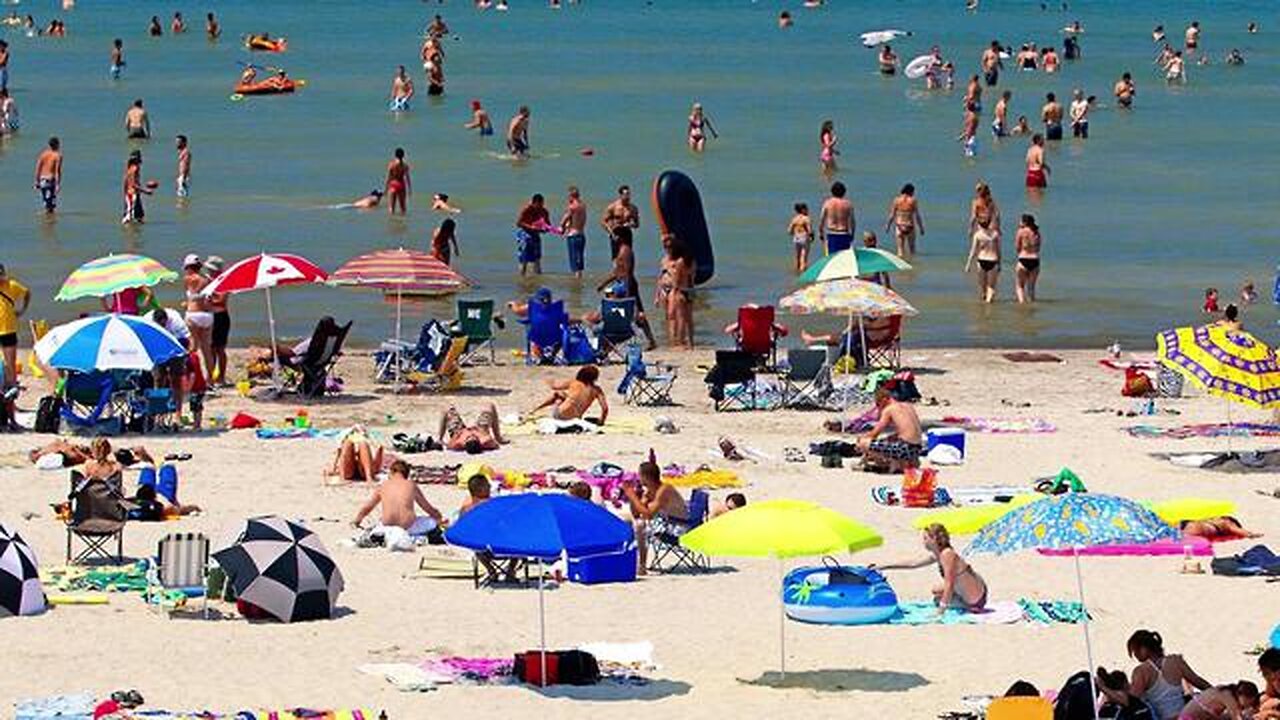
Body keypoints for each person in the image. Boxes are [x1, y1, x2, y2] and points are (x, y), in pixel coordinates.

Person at [876, 523, 988, 611]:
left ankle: (965, 605)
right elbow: (913, 563)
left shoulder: (947, 555)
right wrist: (883, 566)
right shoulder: (939, 554)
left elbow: (950, 583)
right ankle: (958, 601)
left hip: (976, 599)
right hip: (972, 588)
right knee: (936, 591)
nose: (923, 542)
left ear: (934, 539)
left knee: (939, 600)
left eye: (925, 538)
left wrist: (941, 610)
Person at [1124, 629, 1212, 720]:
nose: (1135, 655)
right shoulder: (1176, 661)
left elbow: (1132, 701)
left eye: (1135, 651)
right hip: (1184, 716)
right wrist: (1217, 692)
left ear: (1143, 648)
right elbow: (1199, 682)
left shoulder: (1141, 671)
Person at [351, 460, 445, 541]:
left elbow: (368, 507)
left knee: (378, 524)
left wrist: (357, 521)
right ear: (406, 475)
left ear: (392, 472)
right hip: (408, 527)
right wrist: (438, 517)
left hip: (388, 527)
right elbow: (427, 507)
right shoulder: (411, 485)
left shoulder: (383, 485)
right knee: (431, 522)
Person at [596, 226, 658, 349]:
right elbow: (617, 272)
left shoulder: (626, 251)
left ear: (622, 237)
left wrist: (627, 291)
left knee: (637, 312)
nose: (614, 237)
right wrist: (604, 284)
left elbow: (627, 273)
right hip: (621, 284)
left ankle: (650, 340)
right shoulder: (621, 250)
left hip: (627, 285)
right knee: (632, 312)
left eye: (616, 235)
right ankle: (650, 340)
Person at [622, 461, 688, 575]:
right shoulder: (650, 491)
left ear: (646, 477)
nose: (639, 478)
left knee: (640, 526)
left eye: (640, 475)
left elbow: (648, 514)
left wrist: (632, 496)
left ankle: (641, 565)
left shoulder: (664, 490)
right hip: (667, 523)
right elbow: (637, 513)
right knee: (629, 521)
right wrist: (634, 497)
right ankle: (628, 560)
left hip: (679, 528)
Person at [857, 379, 925, 471]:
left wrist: (861, 439)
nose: (879, 408)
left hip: (904, 448)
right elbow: (909, 431)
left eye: (878, 404)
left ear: (884, 400)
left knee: (864, 443)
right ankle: (908, 461)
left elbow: (875, 433)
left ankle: (893, 463)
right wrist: (892, 437)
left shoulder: (889, 409)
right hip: (917, 449)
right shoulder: (908, 405)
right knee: (889, 439)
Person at [528, 365, 609, 422]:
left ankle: (536, 409)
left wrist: (549, 381)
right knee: (564, 396)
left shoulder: (573, 382)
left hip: (560, 416)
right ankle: (535, 409)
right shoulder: (597, 390)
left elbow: (555, 387)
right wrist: (601, 421)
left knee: (558, 395)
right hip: (576, 418)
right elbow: (605, 408)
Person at [657, 234, 696, 348]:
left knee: (677, 318)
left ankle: (679, 342)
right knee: (689, 319)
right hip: (690, 290)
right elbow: (692, 278)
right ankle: (690, 343)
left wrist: (673, 293)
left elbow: (677, 282)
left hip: (679, 291)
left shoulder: (679, 262)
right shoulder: (691, 262)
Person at [151, 308, 191, 414]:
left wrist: (182, 359)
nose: (162, 327)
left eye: (163, 325)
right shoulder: (148, 321)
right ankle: (159, 410)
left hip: (176, 344)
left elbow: (185, 342)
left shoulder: (177, 324)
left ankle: (178, 411)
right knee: (158, 379)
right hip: (158, 345)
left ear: (167, 320)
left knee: (176, 380)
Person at [0, 264, 28, 410]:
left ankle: (11, 404)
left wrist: (21, 310)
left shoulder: (11, 285)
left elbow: (26, 293)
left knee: (11, 366)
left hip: (8, 329)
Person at [182, 254, 214, 378]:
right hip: (207, 315)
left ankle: (192, 377)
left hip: (193, 314)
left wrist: (188, 302)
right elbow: (207, 296)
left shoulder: (188, 279)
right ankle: (210, 380)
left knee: (193, 347)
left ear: (189, 267)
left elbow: (191, 296)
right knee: (207, 349)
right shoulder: (206, 279)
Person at [438, 403, 506, 454]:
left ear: (464, 443)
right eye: (474, 437)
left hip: (459, 430)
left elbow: (449, 446)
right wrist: (482, 433)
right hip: (479, 429)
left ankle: (439, 439)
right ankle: (499, 437)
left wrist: (458, 435)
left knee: (447, 408)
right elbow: (496, 445)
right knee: (490, 407)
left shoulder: (458, 443)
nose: (471, 435)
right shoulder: (485, 440)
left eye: (469, 438)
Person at [204, 256, 229, 385]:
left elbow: (221, 301)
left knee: (220, 349)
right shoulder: (209, 281)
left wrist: (210, 298)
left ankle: (222, 377)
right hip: (210, 316)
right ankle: (211, 375)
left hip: (221, 317)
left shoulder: (223, 281)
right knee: (211, 348)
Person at [1095, 668, 1159, 719]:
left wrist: (1102, 687)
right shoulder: (1109, 707)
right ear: (1125, 685)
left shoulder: (1134, 703)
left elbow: (1124, 699)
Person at [966, 212, 1001, 304]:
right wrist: (999, 263)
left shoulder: (977, 235)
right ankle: (988, 303)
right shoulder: (995, 234)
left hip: (981, 260)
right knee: (991, 286)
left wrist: (968, 264)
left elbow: (973, 250)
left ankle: (985, 301)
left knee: (982, 285)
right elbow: (998, 250)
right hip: (993, 260)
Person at [601, 185, 640, 259]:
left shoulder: (633, 208)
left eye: (629, 194)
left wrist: (631, 224)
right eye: (625, 194)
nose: (627, 196)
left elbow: (637, 224)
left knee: (627, 256)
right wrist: (611, 233)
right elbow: (603, 222)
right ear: (621, 195)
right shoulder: (613, 207)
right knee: (616, 257)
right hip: (616, 232)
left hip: (627, 233)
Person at [515, 193, 550, 275]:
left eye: (542, 204)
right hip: (525, 234)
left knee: (537, 258)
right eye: (538, 205)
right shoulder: (527, 209)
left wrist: (545, 229)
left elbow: (548, 225)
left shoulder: (544, 211)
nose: (540, 207)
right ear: (534, 203)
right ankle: (522, 277)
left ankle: (538, 278)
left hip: (536, 235)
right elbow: (518, 223)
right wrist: (531, 227)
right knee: (524, 259)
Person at [819, 181, 855, 255]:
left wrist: (821, 233)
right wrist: (852, 235)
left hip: (832, 233)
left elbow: (822, 220)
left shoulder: (827, 203)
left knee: (831, 258)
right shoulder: (848, 204)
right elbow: (852, 222)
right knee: (843, 258)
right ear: (844, 192)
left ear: (832, 191)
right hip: (844, 233)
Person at [560, 186, 588, 278]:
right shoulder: (583, 206)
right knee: (579, 261)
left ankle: (576, 285)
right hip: (581, 235)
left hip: (573, 236)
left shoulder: (572, 207)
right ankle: (578, 282)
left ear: (570, 196)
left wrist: (562, 228)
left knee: (574, 263)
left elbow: (564, 220)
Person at [1014, 214, 1042, 303]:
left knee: (1020, 286)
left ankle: (1022, 306)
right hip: (1035, 260)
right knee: (1031, 287)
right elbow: (1038, 248)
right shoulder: (1037, 232)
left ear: (1024, 222)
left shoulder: (1021, 231)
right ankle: (1031, 306)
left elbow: (1017, 246)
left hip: (1023, 258)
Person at [121, 151, 154, 224]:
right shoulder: (135, 168)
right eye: (140, 157)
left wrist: (125, 193)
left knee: (139, 218)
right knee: (130, 219)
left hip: (131, 194)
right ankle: (131, 234)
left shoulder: (129, 168)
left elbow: (125, 182)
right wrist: (146, 191)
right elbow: (133, 184)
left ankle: (137, 234)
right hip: (133, 195)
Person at [34, 137, 63, 213]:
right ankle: (49, 221)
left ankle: (47, 220)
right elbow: (57, 171)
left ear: (49, 145)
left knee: (46, 201)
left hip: (42, 180)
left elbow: (38, 168)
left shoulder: (43, 154)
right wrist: (57, 184)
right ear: (57, 145)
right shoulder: (58, 156)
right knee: (51, 204)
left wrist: (37, 181)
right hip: (51, 181)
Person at [182, 347, 206, 430]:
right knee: (197, 407)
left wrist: (188, 388)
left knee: (195, 407)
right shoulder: (194, 356)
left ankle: (197, 425)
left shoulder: (187, 359)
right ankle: (197, 424)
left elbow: (192, 375)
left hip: (196, 386)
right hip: (201, 385)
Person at [788, 202, 813, 272]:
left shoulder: (794, 219)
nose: (808, 210)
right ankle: (802, 273)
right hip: (804, 237)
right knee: (804, 256)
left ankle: (797, 270)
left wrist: (795, 232)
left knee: (797, 256)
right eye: (806, 209)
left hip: (796, 237)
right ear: (803, 210)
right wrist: (812, 236)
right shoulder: (806, 218)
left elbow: (789, 230)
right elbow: (810, 230)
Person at [1259, 649, 1280, 720]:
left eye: (1265, 672)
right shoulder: (1273, 681)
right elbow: (1268, 695)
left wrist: (1271, 713)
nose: (1263, 675)